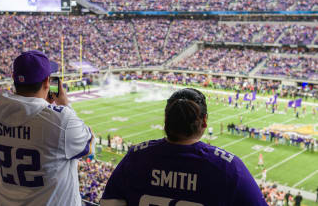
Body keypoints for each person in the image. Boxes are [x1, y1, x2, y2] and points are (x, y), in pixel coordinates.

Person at [100, 88, 267, 206]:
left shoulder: (136, 157)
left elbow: (109, 202)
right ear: (204, 121)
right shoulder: (229, 167)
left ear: (166, 119)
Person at [0, 51, 94, 206]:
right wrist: (64, 104)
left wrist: (48, 107)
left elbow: (27, 130)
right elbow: (88, 144)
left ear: (14, 78)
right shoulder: (61, 120)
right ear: (46, 82)